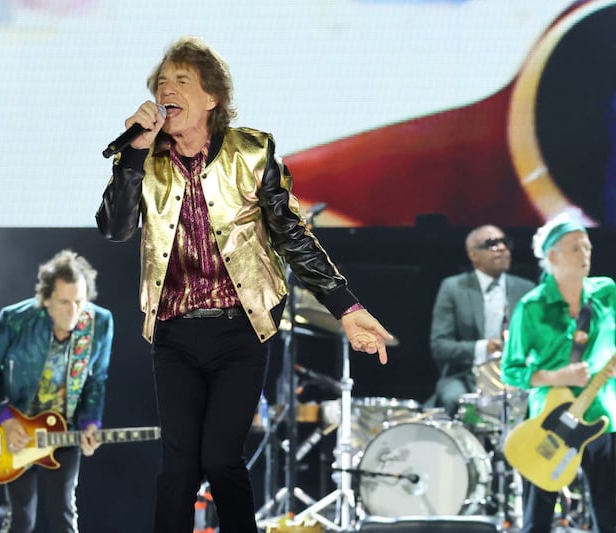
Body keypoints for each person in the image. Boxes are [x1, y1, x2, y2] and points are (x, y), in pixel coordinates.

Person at [95, 35, 393, 533]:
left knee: (220, 459)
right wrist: (131, 158)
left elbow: (293, 237)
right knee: (177, 469)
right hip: (173, 332)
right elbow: (116, 229)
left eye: (181, 81)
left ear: (211, 98)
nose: (167, 88)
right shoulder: (143, 161)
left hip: (240, 330)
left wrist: (346, 306)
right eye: (161, 82)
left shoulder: (253, 152)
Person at [500, 214, 616, 533]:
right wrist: (556, 377)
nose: (585, 255)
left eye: (587, 247)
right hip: (550, 421)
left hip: (601, 414)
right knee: (537, 519)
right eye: (575, 249)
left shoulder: (606, 291)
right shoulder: (531, 306)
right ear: (552, 256)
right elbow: (510, 369)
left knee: (609, 517)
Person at [0, 250, 114, 533]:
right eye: (64, 302)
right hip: (17, 431)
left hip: (65, 431)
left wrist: (90, 424)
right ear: (46, 298)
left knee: (63, 515)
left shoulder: (100, 323)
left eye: (79, 302)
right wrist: (5, 419)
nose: (73, 312)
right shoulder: (15, 319)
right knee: (22, 519)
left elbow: (97, 379)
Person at [428, 224, 535, 416]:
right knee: (455, 399)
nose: (502, 248)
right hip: (465, 375)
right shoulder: (453, 288)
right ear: (473, 254)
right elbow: (440, 346)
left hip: (514, 376)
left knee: (539, 400)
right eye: (492, 244)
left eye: (505, 243)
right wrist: (483, 347)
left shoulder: (526, 289)